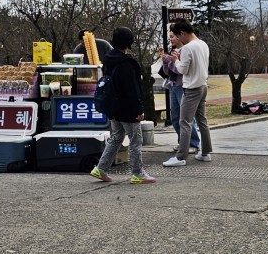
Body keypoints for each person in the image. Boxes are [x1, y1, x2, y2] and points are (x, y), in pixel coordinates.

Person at [88, 26, 154, 184]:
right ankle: (138, 173)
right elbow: (132, 90)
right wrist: (139, 110)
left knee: (116, 137)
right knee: (136, 140)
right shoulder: (127, 63)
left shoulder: (108, 59)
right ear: (129, 43)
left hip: (112, 106)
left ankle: (101, 168)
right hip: (127, 109)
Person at [163, 20, 213, 167]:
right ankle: (205, 153)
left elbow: (182, 70)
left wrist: (176, 60)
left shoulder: (187, 48)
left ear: (183, 33)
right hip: (203, 86)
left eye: (178, 36)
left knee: (184, 122)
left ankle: (180, 157)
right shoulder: (203, 44)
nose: (179, 40)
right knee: (202, 121)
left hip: (191, 89)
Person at [160, 26, 201, 154]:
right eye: (170, 37)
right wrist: (165, 61)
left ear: (179, 36)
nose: (171, 39)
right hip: (173, 85)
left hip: (182, 86)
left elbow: (181, 70)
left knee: (186, 117)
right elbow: (167, 72)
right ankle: (182, 142)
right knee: (175, 117)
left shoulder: (185, 50)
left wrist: (172, 61)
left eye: (172, 36)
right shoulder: (173, 51)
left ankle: (193, 143)